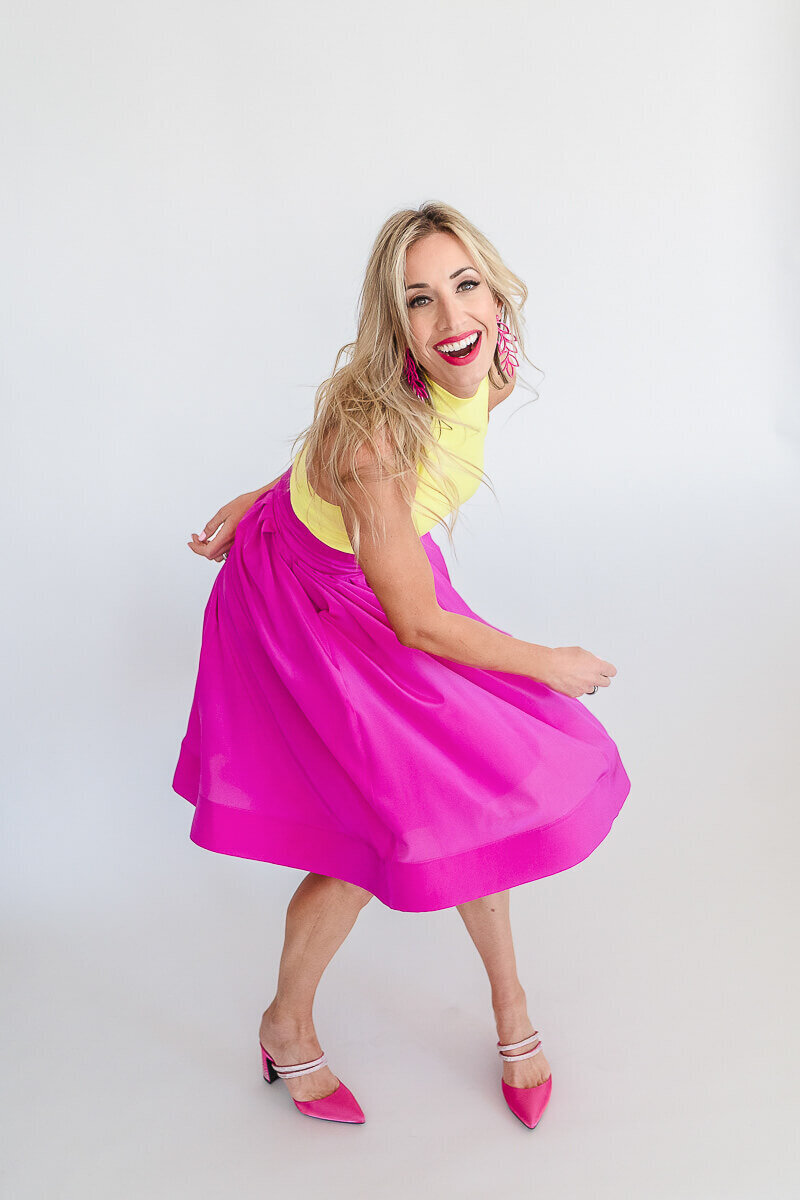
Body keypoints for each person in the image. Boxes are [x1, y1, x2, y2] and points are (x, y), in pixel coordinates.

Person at [172, 201, 631, 1129]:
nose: (452, 319)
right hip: (312, 607)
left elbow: (348, 468)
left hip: (385, 568)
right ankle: (285, 1026)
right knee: (368, 834)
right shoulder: (375, 435)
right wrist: (546, 662)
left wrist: (268, 488)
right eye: (420, 301)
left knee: (471, 780)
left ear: (497, 291)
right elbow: (413, 617)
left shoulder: (486, 367)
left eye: (467, 287)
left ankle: (511, 1013)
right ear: (394, 322)